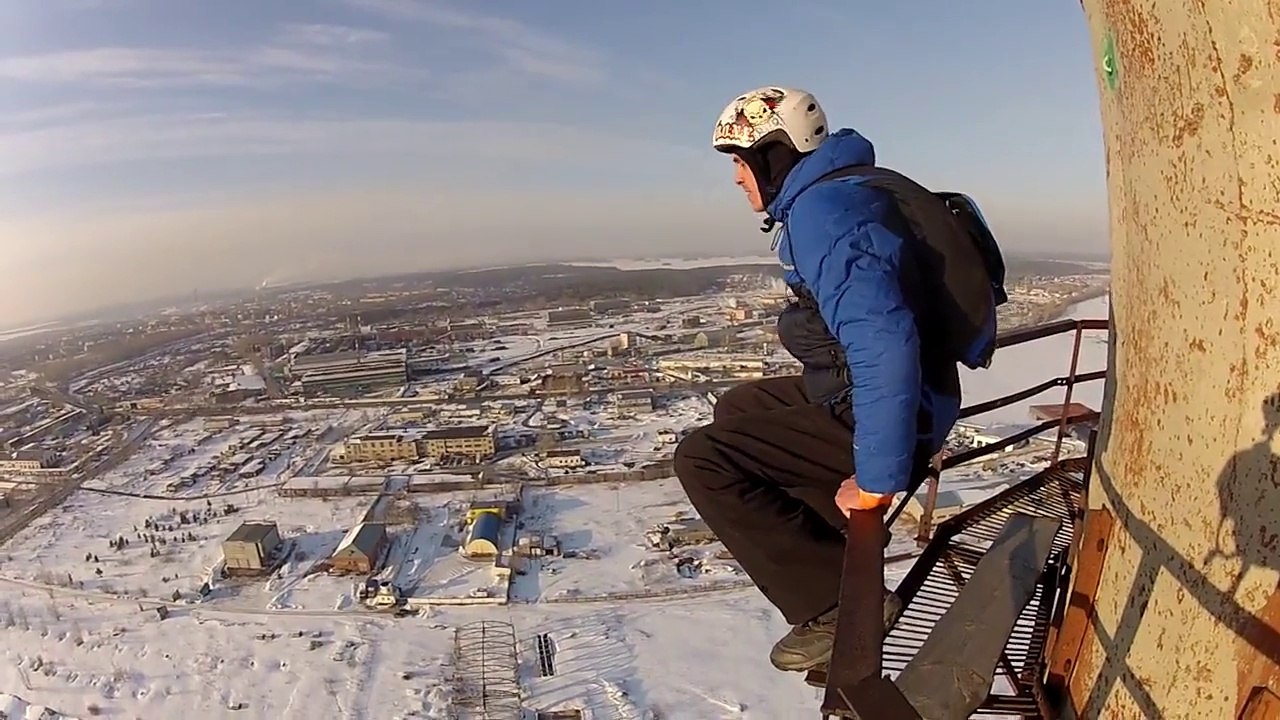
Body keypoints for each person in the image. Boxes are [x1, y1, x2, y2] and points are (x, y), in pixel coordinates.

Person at [674, 86, 997, 674]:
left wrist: (877, 478)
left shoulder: (825, 213)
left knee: (703, 458)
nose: (737, 180)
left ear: (774, 156)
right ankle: (832, 549)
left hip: (888, 404)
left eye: (741, 163)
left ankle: (840, 601)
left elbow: (883, 341)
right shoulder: (847, 191)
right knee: (739, 409)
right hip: (896, 389)